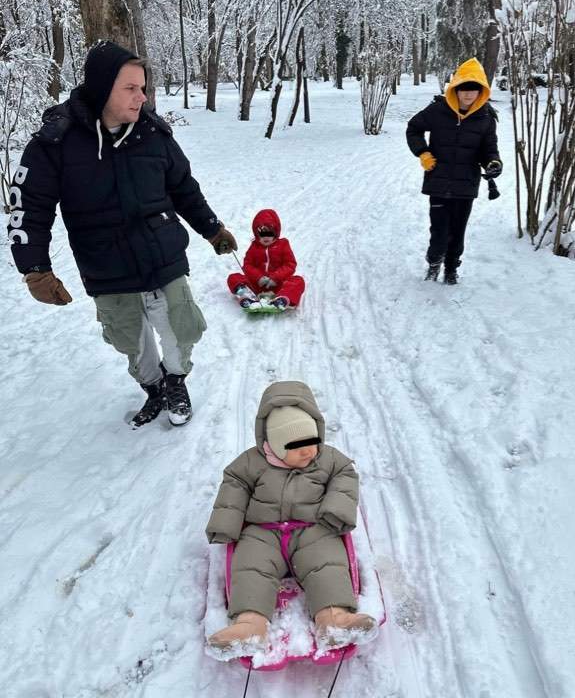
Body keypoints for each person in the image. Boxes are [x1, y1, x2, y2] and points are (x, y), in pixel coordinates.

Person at [7, 40, 237, 428]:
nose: (141, 97)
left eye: (143, 87)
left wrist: (212, 230)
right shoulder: (55, 142)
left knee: (183, 327)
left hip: (162, 254)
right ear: (101, 88)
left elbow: (183, 188)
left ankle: (177, 379)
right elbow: (29, 205)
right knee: (129, 340)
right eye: (130, 88)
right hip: (105, 265)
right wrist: (34, 268)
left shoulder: (153, 132)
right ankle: (154, 386)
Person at [205, 380, 377, 655]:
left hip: (313, 527)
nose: (309, 451)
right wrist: (226, 522)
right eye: (296, 446)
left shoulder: (329, 459)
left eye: (312, 442)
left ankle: (333, 620)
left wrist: (336, 509)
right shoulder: (250, 463)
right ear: (272, 444)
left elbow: (346, 476)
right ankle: (250, 625)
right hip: (263, 531)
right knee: (250, 567)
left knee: (326, 562)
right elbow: (234, 484)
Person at [406, 57, 502, 284]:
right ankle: (434, 262)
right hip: (438, 181)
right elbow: (414, 128)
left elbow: (489, 149)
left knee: (458, 233)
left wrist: (493, 163)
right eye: (464, 89)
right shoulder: (438, 110)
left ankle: (451, 268)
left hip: (466, 185)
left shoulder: (486, 118)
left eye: (474, 90)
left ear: (482, 91)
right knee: (439, 232)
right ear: (455, 89)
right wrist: (423, 153)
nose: (468, 95)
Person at [227, 208, 305, 311]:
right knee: (233, 277)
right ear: (256, 233)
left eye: (270, 233)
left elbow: (290, 264)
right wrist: (258, 277)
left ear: (276, 232)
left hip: (278, 285)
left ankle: (282, 299)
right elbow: (247, 265)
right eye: (262, 233)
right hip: (258, 286)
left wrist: (276, 277)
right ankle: (248, 297)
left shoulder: (283, 245)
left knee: (298, 280)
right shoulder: (254, 247)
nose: (266, 237)